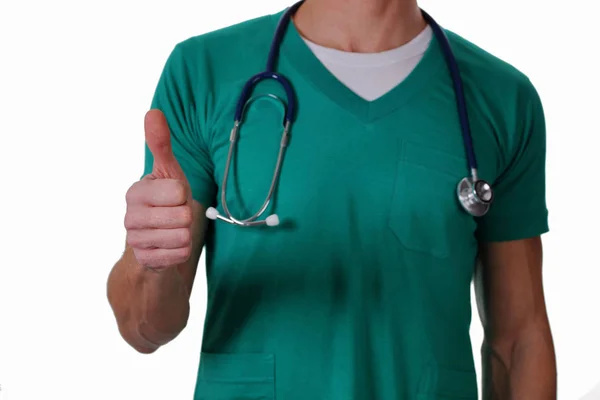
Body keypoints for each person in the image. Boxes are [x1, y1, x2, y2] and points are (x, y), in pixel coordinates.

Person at [106, 0, 557, 398]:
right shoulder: (203, 73)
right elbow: (144, 328)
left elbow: (518, 341)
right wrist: (150, 260)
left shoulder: (502, 98)